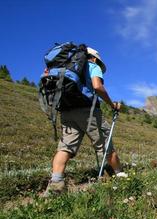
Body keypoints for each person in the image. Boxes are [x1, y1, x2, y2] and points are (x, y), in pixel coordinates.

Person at [44, 47, 125, 196]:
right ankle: (120, 176)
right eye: (99, 63)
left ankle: (56, 185)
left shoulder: (62, 66)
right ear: (93, 58)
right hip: (88, 110)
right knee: (106, 145)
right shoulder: (92, 66)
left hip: (66, 110)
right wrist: (112, 104)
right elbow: (97, 86)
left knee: (65, 148)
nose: (99, 66)